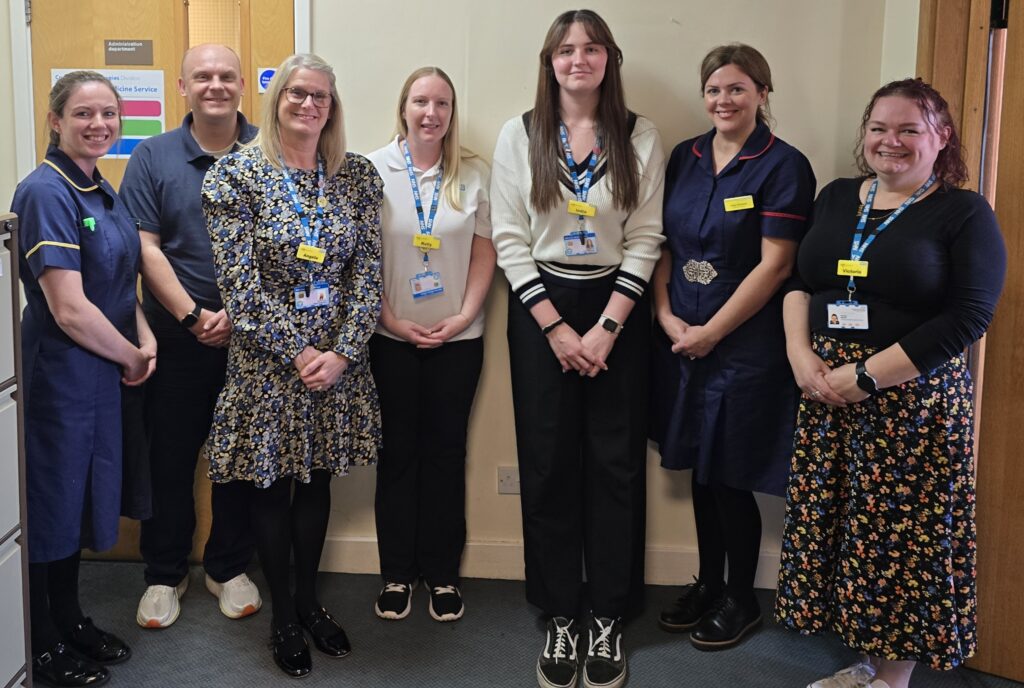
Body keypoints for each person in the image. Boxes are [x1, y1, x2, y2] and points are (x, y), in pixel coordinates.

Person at [775, 78, 1006, 688]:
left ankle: (892, 678)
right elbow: (800, 282)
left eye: (909, 129)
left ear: (941, 137)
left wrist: (867, 377)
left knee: (898, 541)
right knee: (844, 529)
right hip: (825, 392)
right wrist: (800, 354)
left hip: (910, 401)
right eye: (879, 128)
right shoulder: (836, 196)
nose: (891, 141)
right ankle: (865, 662)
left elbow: (969, 317)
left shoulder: (964, 212)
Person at [490, 10, 664, 688]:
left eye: (592, 48)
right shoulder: (521, 133)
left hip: (618, 306)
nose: (579, 59)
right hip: (542, 306)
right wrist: (557, 329)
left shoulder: (639, 134)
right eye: (566, 50)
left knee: (617, 465)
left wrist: (607, 328)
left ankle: (609, 613)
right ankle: (561, 611)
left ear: (609, 59)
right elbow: (509, 238)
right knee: (548, 462)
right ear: (550, 62)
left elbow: (645, 237)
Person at [202, 53, 382, 679]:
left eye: (321, 96)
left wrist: (342, 354)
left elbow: (368, 277)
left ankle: (309, 600)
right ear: (277, 99)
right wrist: (303, 354)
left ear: (333, 107)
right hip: (268, 366)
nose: (309, 105)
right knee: (271, 489)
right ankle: (283, 615)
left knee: (317, 483)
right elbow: (240, 287)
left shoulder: (356, 176)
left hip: (336, 365)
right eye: (297, 93)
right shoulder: (236, 176)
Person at [649, 44, 815, 651]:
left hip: (744, 345)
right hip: (679, 335)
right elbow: (663, 244)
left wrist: (712, 332)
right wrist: (664, 313)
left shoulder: (784, 165)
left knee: (730, 474)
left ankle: (740, 598)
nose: (724, 100)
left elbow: (776, 266)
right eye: (714, 90)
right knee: (699, 467)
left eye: (738, 88)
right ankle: (709, 583)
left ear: (762, 94)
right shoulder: (684, 156)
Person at [12, 70, 156, 687]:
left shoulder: (100, 186)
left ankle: (70, 618)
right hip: (63, 374)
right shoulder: (45, 193)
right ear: (55, 121)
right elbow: (69, 308)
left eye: (109, 114)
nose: (99, 124)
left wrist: (144, 336)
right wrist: (131, 357)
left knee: (76, 502)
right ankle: (40, 641)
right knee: (51, 504)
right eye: (83, 114)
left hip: (104, 366)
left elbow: (120, 281)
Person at [120, 43, 261, 630]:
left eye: (226, 75)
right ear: (183, 87)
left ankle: (228, 566)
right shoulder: (151, 156)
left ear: (243, 84)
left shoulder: (269, 152)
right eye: (202, 76)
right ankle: (164, 572)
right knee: (171, 458)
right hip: (177, 339)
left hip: (255, 339)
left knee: (241, 459)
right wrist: (194, 316)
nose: (215, 85)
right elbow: (145, 247)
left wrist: (241, 315)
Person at [366, 67, 494, 623]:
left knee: (446, 455)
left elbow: (485, 251)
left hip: (459, 340)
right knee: (396, 455)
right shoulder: (371, 169)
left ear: (452, 112)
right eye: (420, 101)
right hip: (388, 338)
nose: (431, 113)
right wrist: (391, 320)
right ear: (403, 107)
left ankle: (442, 575)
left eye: (442, 103)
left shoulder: (473, 172)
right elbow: (360, 256)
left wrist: (464, 315)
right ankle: (397, 573)